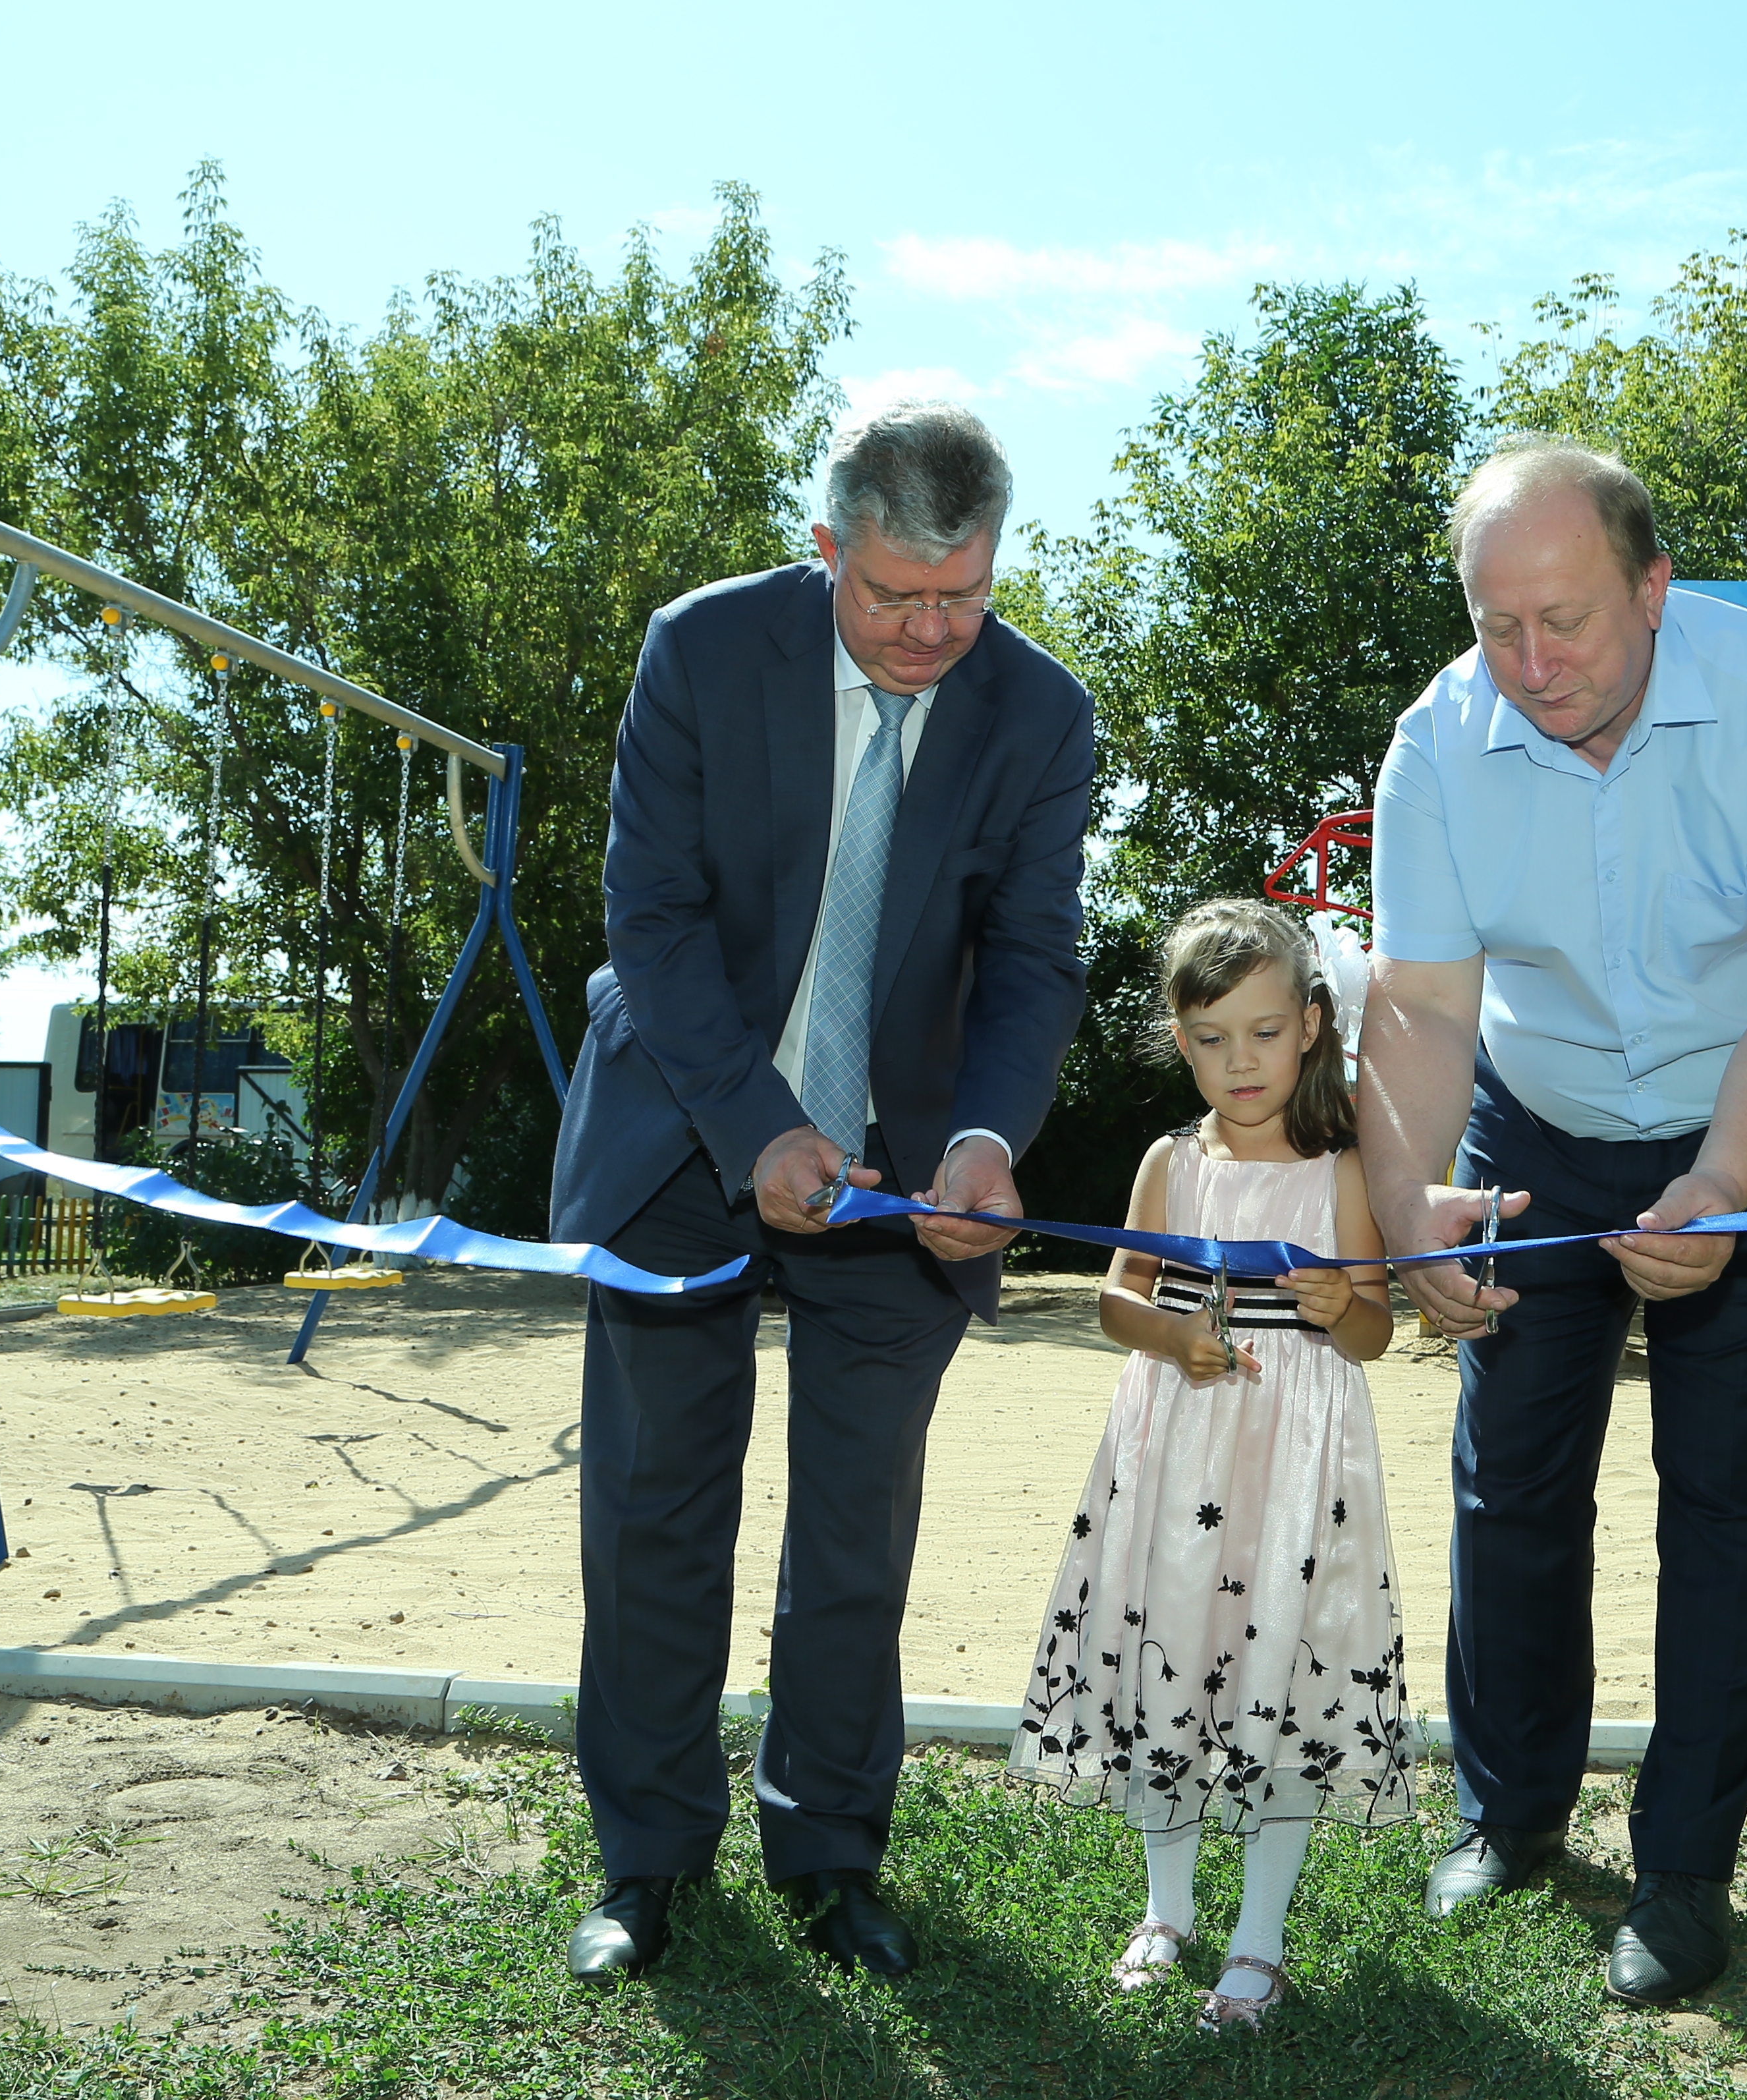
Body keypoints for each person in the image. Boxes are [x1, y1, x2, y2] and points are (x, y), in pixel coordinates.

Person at [548, 401, 1094, 1984]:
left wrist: (988, 1142)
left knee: (857, 1527)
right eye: (893, 596)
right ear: (826, 546)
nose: (930, 632)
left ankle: (831, 1849)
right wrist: (758, 1124)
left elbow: (1035, 962)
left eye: (963, 597)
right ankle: (648, 1856)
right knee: (658, 1510)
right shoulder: (701, 653)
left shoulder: (1044, 720)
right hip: (682, 1133)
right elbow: (647, 921)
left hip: (906, 1175)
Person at [1358, 435, 1747, 2004]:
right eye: (1497, 626)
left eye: (1569, 620)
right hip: (1538, 1127)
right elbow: (1423, 1004)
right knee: (1513, 1485)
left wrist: (1724, 1182)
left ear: (1654, 586)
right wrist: (1412, 1205)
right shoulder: (1437, 745)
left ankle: (1685, 1866)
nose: (1535, 664)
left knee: (1725, 1493)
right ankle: (1509, 1814)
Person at [1011, 899, 1412, 2033]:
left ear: (1314, 1028)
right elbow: (1115, 1296)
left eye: (1264, 1032)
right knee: (1171, 1660)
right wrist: (1170, 1338)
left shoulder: (1340, 1173)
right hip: (1178, 1449)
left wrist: (1340, 1305)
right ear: (1178, 1041)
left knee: (1273, 1669)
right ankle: (1167, 1911)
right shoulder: (1168, 1163)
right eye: (1209, 1038)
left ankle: (1260, 1938)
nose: (1239, 1062)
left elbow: (1376, 1332)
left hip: (1293, 1465)